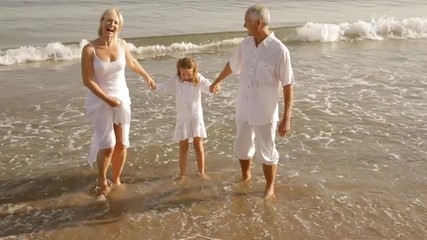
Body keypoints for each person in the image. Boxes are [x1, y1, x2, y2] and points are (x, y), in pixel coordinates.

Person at [209, 4, 294, 199]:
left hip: (265, 110)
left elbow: (288, 85)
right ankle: (245, 176)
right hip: (243, 108)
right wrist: (216, 81)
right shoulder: (245, 45)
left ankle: (269, 186)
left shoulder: (279, 50)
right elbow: (232, 66)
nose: (243, 25)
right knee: (242, 146)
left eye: (246, 21)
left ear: (258, 22)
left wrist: (286, 117)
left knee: (267, 150)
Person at [81, 8, 155, 197]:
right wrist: (107, 98)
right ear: (101, 22)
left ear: (119, 27)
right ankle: (102, 179)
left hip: (122, 98)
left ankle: (117, 178)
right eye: (108, 20)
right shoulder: (89, 49)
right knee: (108, 145)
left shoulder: (122, 44)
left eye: (115, 22)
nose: (111, 24)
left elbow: (132, 63)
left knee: (121, 143)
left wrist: (146, 76)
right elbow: (88, 80)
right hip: (100, 101)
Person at [152, 57, 212, 181]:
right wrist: (154, 86)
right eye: (182, 74)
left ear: (194, 71)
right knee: (183, 146)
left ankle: (201, 172)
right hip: (183, 118)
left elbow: (209, 87)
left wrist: (214, 88)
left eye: (188, 74)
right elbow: (164, 87)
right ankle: (182, 174)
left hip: (196, 117)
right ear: (179, 72)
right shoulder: (177, 80)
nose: (185, 76)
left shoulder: (198, 79)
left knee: (198, 144)